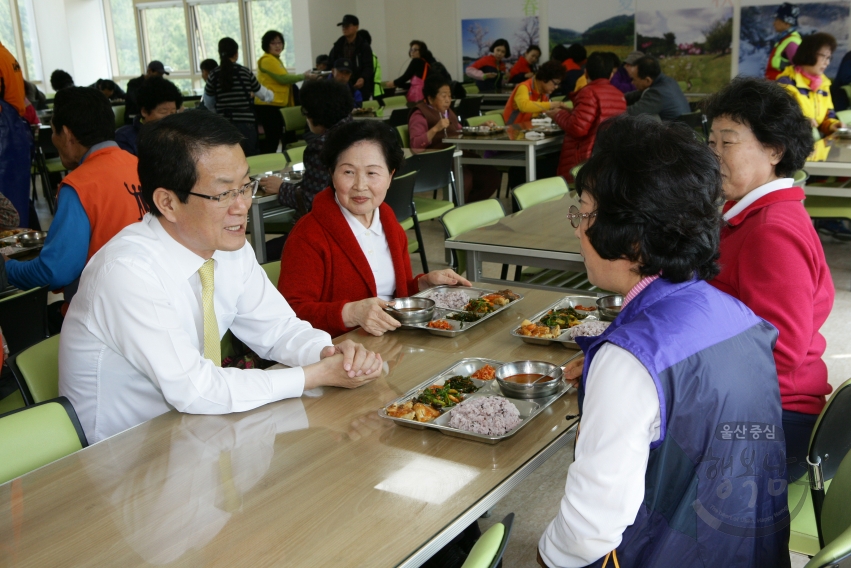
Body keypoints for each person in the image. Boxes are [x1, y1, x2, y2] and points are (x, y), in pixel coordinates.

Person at [537, 115, 789, 568]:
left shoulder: (629, 361)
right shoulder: (736, 314)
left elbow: (588, 533)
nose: (578, 229)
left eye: (586, 213)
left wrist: (546, 555)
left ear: (631, 235)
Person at [58, 111, 383, 444]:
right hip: (128, 459)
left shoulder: (227, 246)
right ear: (168, 202)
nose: (242, 206)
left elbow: (277, 328)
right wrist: (311, 376)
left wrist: (326, 353)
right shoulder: (126, 273)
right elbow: (195, 388)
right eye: (223, 194)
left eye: (245, 186)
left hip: (202, 434)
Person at [705, 77, 834, 481]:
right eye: (711, 142)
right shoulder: (752, 215)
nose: (715, 154)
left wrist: (684, 371)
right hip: (764, 406)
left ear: (774, 150)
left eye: (728, 142)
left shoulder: (771, 231)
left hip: (775, 421)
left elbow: (779, 352)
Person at [279, 120, 471, 338]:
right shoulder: (309, 234)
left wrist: (421, 284)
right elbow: (290, 314)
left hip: (391, 344)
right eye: (348, 172)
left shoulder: (390, 225)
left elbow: (393, 296)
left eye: (372, 173)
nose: (360, 185)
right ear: (332, 174)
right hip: (337, 352)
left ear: (390, 176)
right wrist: (349, 313)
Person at [3, 87, 145, 305]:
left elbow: (53, 271)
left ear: (67, 134)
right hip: (150, 301)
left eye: (54, 132)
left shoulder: (80, 185)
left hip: (101, 318)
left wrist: (7, 268)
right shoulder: (143, 167)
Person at [259, 80, 353, 215]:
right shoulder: (362, 135)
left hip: (330, 227)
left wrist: (281, 187)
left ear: (315, 114)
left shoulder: (322, 147)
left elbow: (310, 201)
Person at [409, 74, 501, 203]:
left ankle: (468, 207)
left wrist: (481, 127)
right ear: (430, 98)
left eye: (450, 95)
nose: (448, 100)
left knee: (490, 174)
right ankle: (458, 212)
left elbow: (459, 131)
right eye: (443, 96)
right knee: (465, 178)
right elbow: (416, 145)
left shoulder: (448, 112)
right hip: (436, 160)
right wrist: (435, 128)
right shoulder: (420, 114)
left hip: (457, 155)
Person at [553, 52, 626, 181]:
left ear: (585, 73)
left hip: (585, 162)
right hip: (607, 162)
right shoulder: (619, 95)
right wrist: (572, 111)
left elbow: (577, 128)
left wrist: (558, 114)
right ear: (611, 74)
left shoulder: (588, 92)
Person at [204, 37, 273, 156]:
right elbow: (264, 95)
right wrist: (271, 96)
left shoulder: (214, 74)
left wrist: (217, 113)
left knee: (228, 158)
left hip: (224, 124)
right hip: (246, 124)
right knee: (250, 158)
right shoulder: (245, 72)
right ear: (236, 54)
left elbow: (208, 102)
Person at [255, 30, 312, 155]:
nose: (277, 46)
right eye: (273, 43)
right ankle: (266, 168)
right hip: (268, 105)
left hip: (276, 104)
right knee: (272, 140)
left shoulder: (275, 59)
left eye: (279, 42)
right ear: (266, 45)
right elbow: (283, 79)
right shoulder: (267, 60)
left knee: (275, 139)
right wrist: (304, 76)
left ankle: (273, 168)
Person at [777, 33, 844, 136]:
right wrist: (801, 122)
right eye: (824, 57)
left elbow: (827, 116)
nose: (827, 63)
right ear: (809, 53)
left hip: (814, 146)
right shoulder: (787, 82)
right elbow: (779, 120)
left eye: (829, 58)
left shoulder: (824, 84)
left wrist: (832, 125)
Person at [0, 40, 31, 228]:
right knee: (17, 197)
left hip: (4, 130)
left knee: (6, 202)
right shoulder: (6, 54)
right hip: (15, 129)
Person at [115, 76, 183, 155]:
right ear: (144, 111)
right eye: (163, 112)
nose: (169, 118)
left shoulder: (177, 134)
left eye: (173, 113)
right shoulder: (124, 138)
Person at [625, 55, 690, 121]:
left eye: (633, 79)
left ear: (647, 80)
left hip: (672, 130)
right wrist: (618, 97)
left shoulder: (657, 94)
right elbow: (635, 95)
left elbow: (631, 112)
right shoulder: (668, 82)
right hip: (682, 128)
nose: (632, 82)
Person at [502, 60, 568, 125]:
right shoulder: (524, 87)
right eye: (555, 83)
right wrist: (552, 105)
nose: (556, 87)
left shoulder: (544, 92)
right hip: (513, 129)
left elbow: (543, 110)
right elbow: (524, 106)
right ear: (545, 78)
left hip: (530, 128)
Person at [328, 14, 374, 102]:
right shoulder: (338, 44)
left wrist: (363, 78)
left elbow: (368, 66)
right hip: (341, 87)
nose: (344, 28)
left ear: (356, 27)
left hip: (360, 87)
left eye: (347, 26)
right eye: (343, 26)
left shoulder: (364, 46)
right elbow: (331, 63)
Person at [765, 2, 802, 81]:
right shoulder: (784, 39)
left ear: (787, 23)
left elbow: (800, 70)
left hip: (783, 89)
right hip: (776, 88)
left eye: (777, 19)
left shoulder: (792, 43)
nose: (774, 23)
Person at [358, 30, 384, 102]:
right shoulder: (372, 55)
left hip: (371, 92)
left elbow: (369, 75)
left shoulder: (367, 56)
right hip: (376, 91)